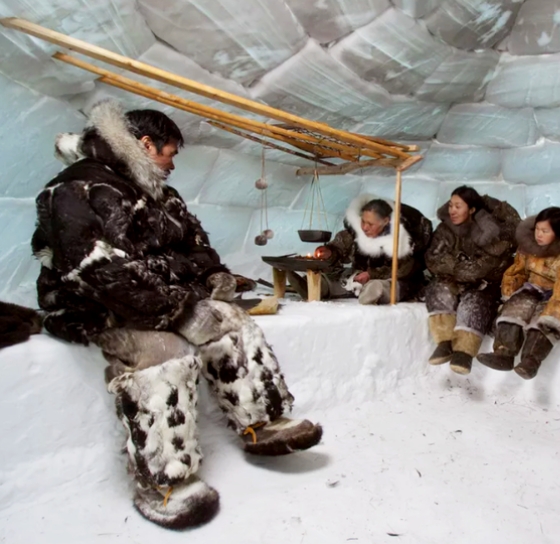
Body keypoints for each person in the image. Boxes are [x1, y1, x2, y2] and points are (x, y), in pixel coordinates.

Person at [31, 100, 322, 529]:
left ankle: (262, 423)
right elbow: (100, 275)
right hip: (97, 306)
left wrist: (214, 277)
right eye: (170, 154)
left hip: (161, 295)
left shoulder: (159, 193)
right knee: (163, 353)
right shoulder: (73, 190)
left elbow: (195, 247)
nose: (172, 165)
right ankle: (163, 480)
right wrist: (178, 308)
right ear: (146, 145)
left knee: (231, 321)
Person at [477, 207, 560, 379]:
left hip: (557, 293)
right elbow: (517, 270)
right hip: (531, 288)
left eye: (545, 231)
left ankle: (531, 360)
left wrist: (556, 314)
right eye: (537, 230)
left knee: (543, 322)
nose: (538, 235)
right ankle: (503, 352)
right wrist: (510, 292)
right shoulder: (529, 248)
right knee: (514, 310)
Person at [425, 186, 520, 374]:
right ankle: (444, 342)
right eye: (451, 205)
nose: (452, 210)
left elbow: (485, 266)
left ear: (472, 209)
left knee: (474, 301)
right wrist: (458, 268)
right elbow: (433, 258)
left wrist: (459, 269)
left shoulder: (491, 232)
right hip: (454, 281)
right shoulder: (445, 230)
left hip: (484, 286)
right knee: (438, 289)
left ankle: (464, 352)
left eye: (458, 206)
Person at [290, 195, 432, 304]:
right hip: (358, 276)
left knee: (389, 285)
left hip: (392, 277)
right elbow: (339, 247)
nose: (365, 227)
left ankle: (375, 292)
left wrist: (371, 274)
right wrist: (329, 252)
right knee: (342, 277)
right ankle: (317, 287)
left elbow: (402, 268)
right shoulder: (358, 231)